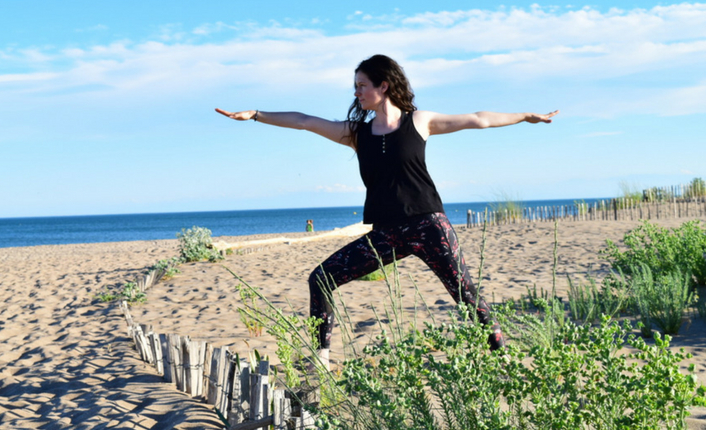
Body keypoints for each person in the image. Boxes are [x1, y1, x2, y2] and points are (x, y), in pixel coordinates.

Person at [216, 54, 557, 370]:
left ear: (384, 86)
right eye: (355, 86)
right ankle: (321, 357)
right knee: (320, 278)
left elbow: (479, 119)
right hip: (386, 234)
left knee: (466, 295)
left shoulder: (420, 122)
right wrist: (257, 115)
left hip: (428, 226)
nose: (357, 92)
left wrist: (525, 116)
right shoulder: (356, 133)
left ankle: (503, 358)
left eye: (363, 85)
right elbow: (305, 121)